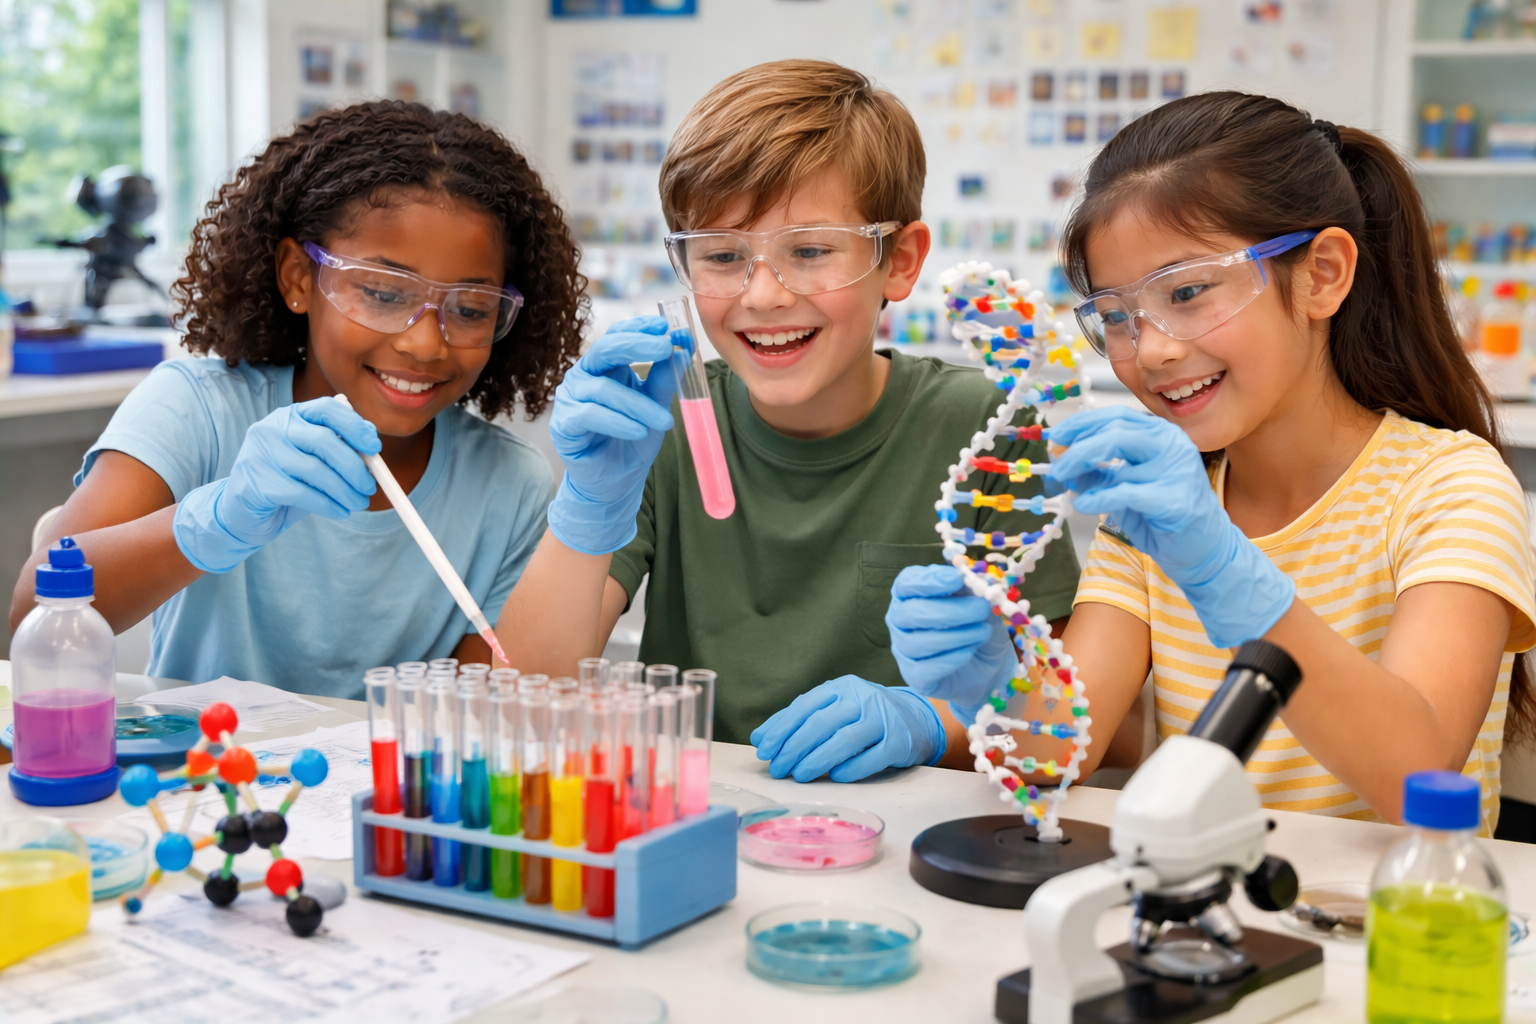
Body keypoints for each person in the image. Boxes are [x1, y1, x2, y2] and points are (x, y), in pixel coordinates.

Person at [882, 92, 1536, 832]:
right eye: (1118, 317)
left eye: (1188, 292)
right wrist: (984, 686)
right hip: (1196, 920)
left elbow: (1415, 779)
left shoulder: (1451, 488)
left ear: (1322, 274)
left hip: (1398, 929)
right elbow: (1053, 756)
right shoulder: (1153, 515)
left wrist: (1227, 573)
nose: (1151, 349)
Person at [500, 61, 1080, 780]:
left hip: (911, 841)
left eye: (809, 251)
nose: (764, 295)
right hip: (701, 827)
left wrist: (936, 725)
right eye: (721, 255)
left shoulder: (986, 431)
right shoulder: (665, 429)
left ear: (898, 260)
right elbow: (524, 696)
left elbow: (1080, 724)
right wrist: (587, 506)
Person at [8, 102, 585, 697]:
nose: (423, 343)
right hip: (201, 786)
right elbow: (32, 611)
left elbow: (477, 718)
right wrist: (217, 518)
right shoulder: (197, 410)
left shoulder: (510, 485)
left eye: (469, 309)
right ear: (298, 278)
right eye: (383, 293)